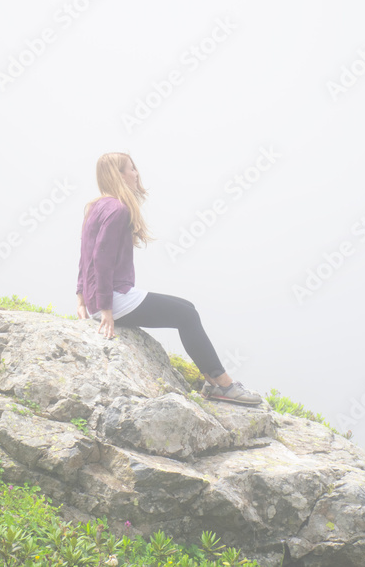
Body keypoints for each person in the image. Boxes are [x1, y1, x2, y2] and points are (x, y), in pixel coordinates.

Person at [75, 152, 262, 405]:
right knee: (186, 316)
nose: (136, 173)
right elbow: (101, 258)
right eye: (131, 168)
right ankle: (224, 385)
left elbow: (85, 254)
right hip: (113, 298)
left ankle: (212, 382)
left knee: (187, 308)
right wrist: (106, 308)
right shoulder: (118, 209)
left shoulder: (95, 207)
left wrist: (81, 298)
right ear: (119, 175)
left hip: (100, 298)